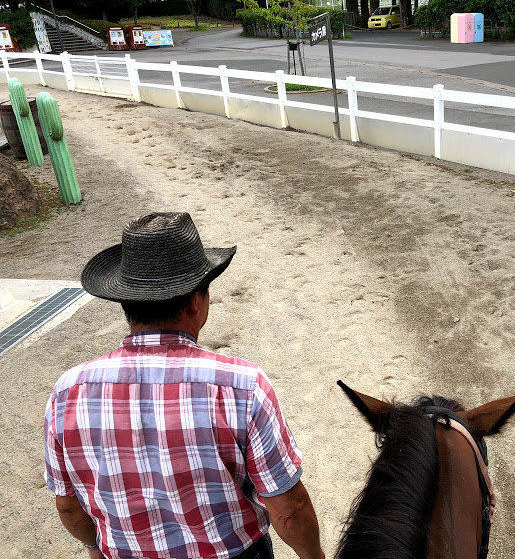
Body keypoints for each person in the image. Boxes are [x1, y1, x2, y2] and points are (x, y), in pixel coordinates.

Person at [43, 212, 325, 559]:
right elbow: (289, 511)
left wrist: (94, 548)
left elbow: (68, 506)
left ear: (126, 301)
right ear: (195, 301)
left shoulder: (67, 392)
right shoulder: (242, 387)